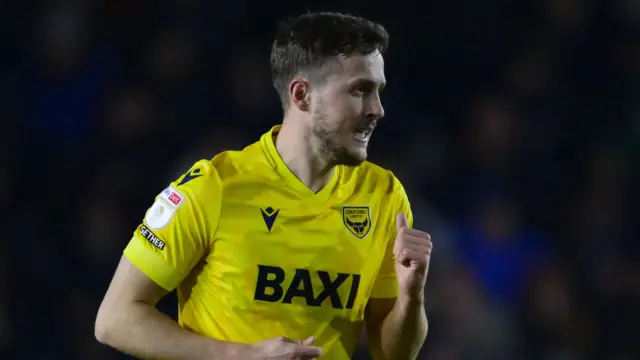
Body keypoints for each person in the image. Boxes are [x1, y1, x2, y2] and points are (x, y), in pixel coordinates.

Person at [95, 11, 432, 360]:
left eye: (378, 91)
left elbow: (393, 354)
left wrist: (411, 297)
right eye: (361, 90)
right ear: (302, 95)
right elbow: (115, 318)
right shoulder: (216, 186)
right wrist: (240, 356)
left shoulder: (383, 195)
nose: (378, 109)